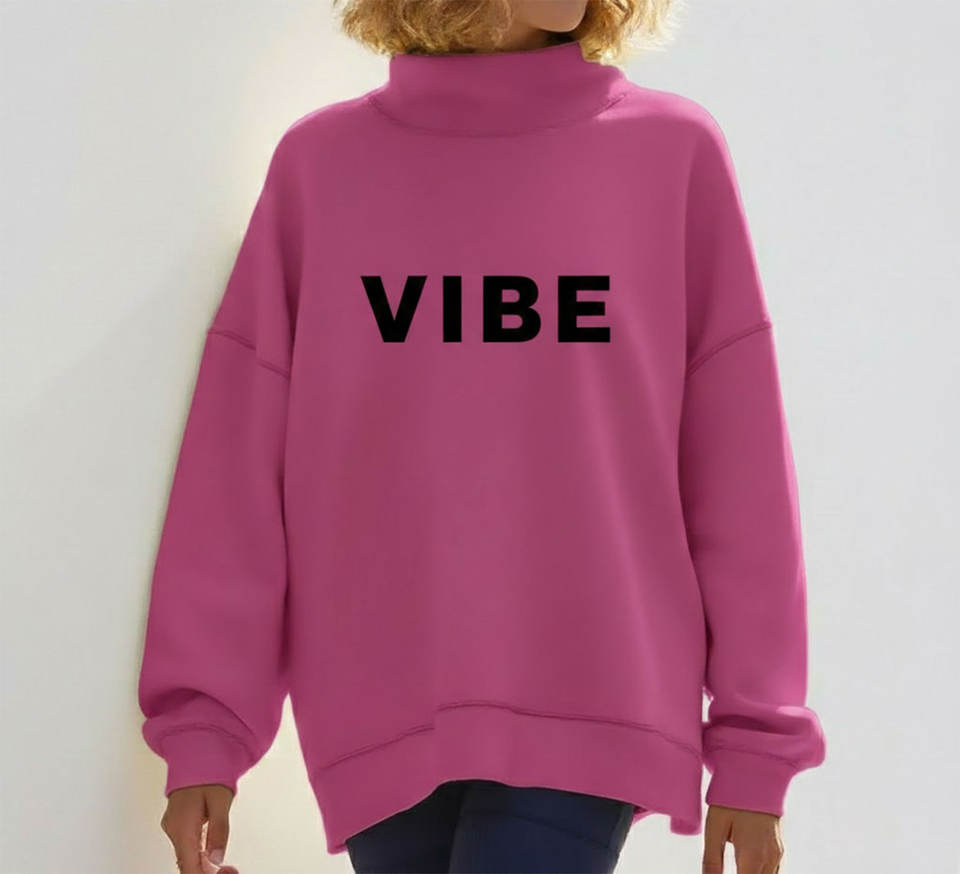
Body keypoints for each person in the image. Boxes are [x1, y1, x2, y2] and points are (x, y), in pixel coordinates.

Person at [136, 0, 828, 872]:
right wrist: (205, 729)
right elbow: (236, 464)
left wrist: (756, 743)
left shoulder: (668, 152)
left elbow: (740, 465)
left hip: (595, 689)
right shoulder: (323, 167)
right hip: (377, 707)